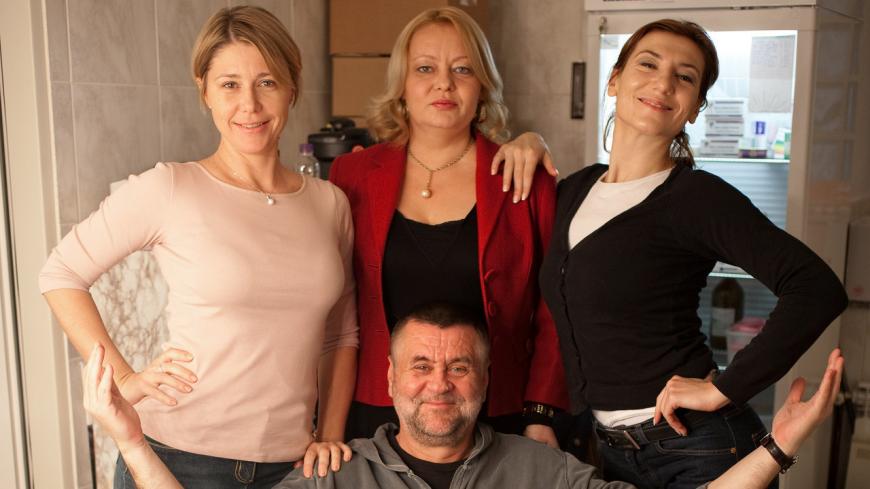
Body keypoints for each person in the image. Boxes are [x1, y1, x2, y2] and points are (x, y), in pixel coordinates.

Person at [39, 6, 358, 487]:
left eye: (267, 82)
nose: (249, 104)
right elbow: (61, 273)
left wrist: (329, 435)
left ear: (292, 88)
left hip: (293, 467)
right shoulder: (171, 187)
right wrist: (124, 379)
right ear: (204, 90)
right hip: (178, 460)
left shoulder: (329, 203)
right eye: (229, 84)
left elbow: (341, 334)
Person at [538, 19, 850, 488]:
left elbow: (816, 288)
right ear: (614, 80)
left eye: (684, 76)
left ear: (695, 109)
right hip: (610, 451)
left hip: (701, 447)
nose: (664, 83)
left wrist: (724, 388)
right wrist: (528, 143)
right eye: (648, 64)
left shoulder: (697, 198)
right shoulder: (572, 191)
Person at [83, 302, 846, 489]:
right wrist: (130, 439)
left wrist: (779, 445)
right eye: (420, 365)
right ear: (389, 379)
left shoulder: (545, 472)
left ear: (485, 381)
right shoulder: (339, 475)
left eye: (459, 367)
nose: (439, 383)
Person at [328, 6, 567, 447]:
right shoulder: (351, 175)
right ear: (401, 85)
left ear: (483, 86)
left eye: (462, 69)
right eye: (425, 68)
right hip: (378, 411)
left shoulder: (523, 178)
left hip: (497, 411)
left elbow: (554, 309)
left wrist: (541, 412)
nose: (444, 83)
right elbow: (333, 307)